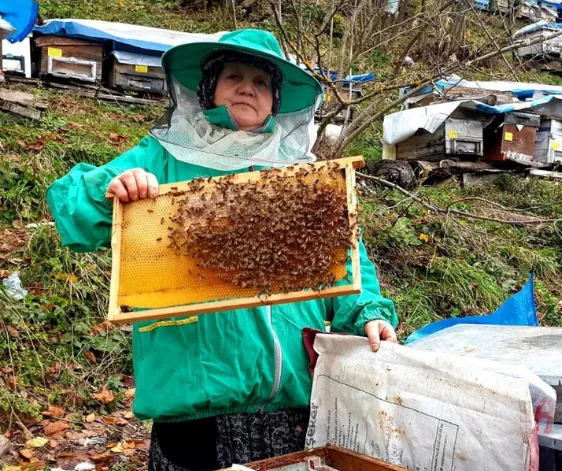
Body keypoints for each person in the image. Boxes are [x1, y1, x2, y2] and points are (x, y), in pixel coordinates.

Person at [46, 29, 399, 471]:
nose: (248, 87)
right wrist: (111, 190)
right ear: (209, 87)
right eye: (234, 75)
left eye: (261, 81)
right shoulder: (162, 156)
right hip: (195, 401)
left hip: (292, 402)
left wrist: (370, 314)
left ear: (276, 101)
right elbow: (73, 208)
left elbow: (347, 264)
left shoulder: (304, 178)